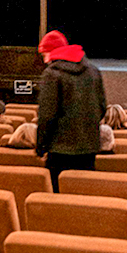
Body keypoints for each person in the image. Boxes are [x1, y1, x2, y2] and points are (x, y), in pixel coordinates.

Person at [35, 30, 107, 184]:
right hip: (89, 147)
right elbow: (101, 107)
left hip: (59, 149)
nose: (44, 60)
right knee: (82, 196)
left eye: (44, 55)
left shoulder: (52, 74)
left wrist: (41, 146)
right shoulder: (93, 71)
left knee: (60, 199)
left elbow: (47, 114)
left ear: (50, 53)